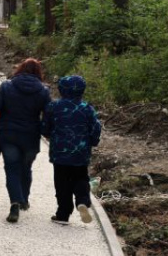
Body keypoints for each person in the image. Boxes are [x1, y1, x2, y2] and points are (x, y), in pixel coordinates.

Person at [0, 57, 51, 223]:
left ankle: (15, 204)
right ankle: (24, 199)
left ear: (20, 69)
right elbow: (48, 115)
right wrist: (45, 131)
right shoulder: (43, 91)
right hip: (31, 136)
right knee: (26, 167)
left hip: (8, 134)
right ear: (39, 72)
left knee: (12, 168)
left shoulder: (7, 86)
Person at [42, 75, 102, 225]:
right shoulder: (87, 108)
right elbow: (96, 128)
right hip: (80, 152)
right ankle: (82, 201)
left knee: (61, 182)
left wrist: (49, 135)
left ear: (62, 89)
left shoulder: (53, 106)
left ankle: (63, 214)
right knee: (81, 177)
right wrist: (93, 142)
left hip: (60, 152)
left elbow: (45, 127)